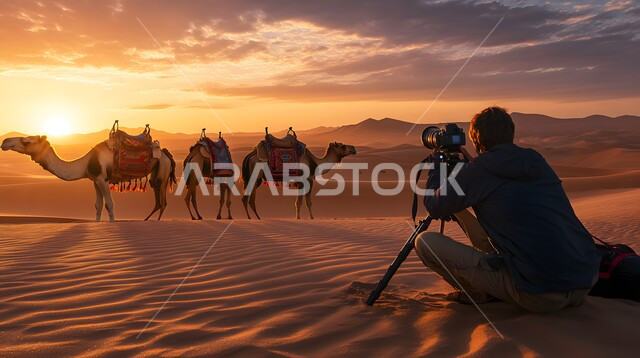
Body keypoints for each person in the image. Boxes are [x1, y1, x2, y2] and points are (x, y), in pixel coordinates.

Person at [415, 106, 600, 312]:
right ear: (510, 133)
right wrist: (474, 167)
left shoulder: (480, 171)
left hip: (540, 294)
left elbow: (434, 207)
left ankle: (479, 292)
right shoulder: (534, 160)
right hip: (585, 282)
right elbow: (504, 182)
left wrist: (436, 168)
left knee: (425, 243)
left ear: (477, 141)